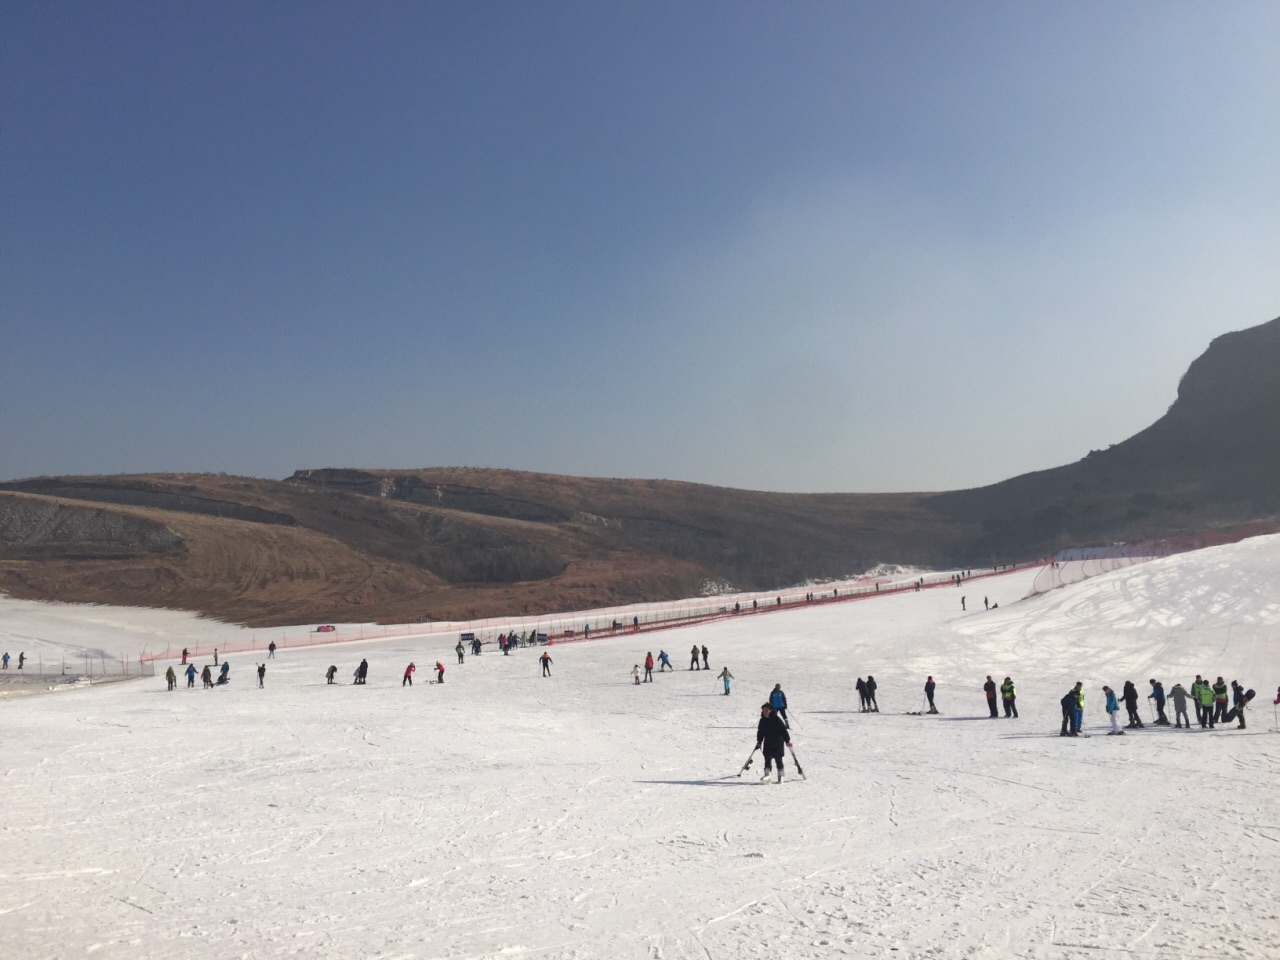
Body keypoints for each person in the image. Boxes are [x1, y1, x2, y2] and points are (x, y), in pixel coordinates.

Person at [755, 702, 792, 783]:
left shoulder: (777, 719)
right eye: (763, 710)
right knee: (767, 759)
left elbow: (783, 731)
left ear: (771, 710)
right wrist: (759, 741)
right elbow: (760, 732)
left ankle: (780, 776)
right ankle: (767, 775)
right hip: (768, 743)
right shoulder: (762, 721)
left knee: (778, 760)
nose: (764, 712)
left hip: (778, 743)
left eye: (766, 710)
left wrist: (787, 741)